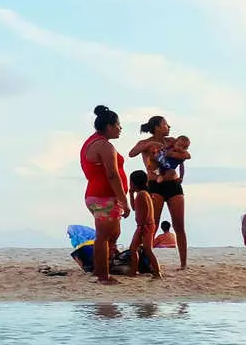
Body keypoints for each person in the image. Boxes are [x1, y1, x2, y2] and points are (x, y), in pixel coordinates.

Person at [130, 117, 190, 269]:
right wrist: (150, 144)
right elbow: (132, 153)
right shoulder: (145, 143)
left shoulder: (171, 141)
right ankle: (145, 260)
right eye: (165, 124)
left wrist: (174, 152)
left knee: (179, 225)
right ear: (157, 127)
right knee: (152, 224)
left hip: (174, 185)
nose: (169, 126)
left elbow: (184, 154)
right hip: (155, 185)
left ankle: (183, 264)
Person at [80, 105, 127, 284]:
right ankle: (102, 275)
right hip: (103, 196)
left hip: (99, 195)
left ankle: (103, 269)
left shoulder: (92, 142)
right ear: (109, 126)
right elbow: (112, 175)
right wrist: (124, 201)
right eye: (118, 125)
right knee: (104, 236)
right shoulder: (104, 145)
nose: (120, 128)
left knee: (113, 233)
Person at [126, 170, 161, 277]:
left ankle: (157, 271)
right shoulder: (142, 194)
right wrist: (131, 194)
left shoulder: (142, 194)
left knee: (147, 249)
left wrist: (142, 225)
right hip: (142, 225)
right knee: (133, 248)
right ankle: (133, 270)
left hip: (145, 225)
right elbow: (134, 208)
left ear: (134, 183)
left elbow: (146, 211)